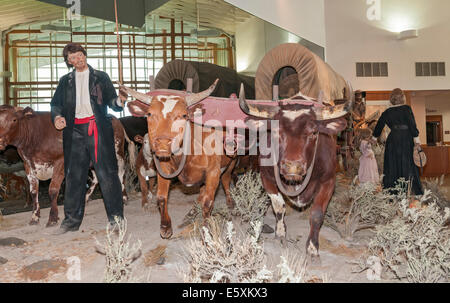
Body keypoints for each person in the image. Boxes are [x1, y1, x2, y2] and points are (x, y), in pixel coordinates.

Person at [50, 43, 127, 234]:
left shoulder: (100, 77)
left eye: (79, 55)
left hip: (97, 127)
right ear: (69, 62)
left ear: (85, 54)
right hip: (74, 130)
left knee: (107, 172)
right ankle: (71, 221)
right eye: (72, 58)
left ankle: (116, 219)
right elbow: (55, 104)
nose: (77, 60)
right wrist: (57, 117)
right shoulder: (65, 81)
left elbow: (113, 103)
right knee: (74, 174)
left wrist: (120, 100)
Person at [372, 88, 423, 195]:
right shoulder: (407, 109)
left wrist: (373, 138)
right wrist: (417, 140)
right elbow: (412, 125)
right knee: (408, 164)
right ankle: (410, 192)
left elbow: (378, 126)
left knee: (392, 165)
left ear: (392, 99)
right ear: (403, 98)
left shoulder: (387, 112)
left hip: (393, 140)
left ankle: (393, 192)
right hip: (406, 139)